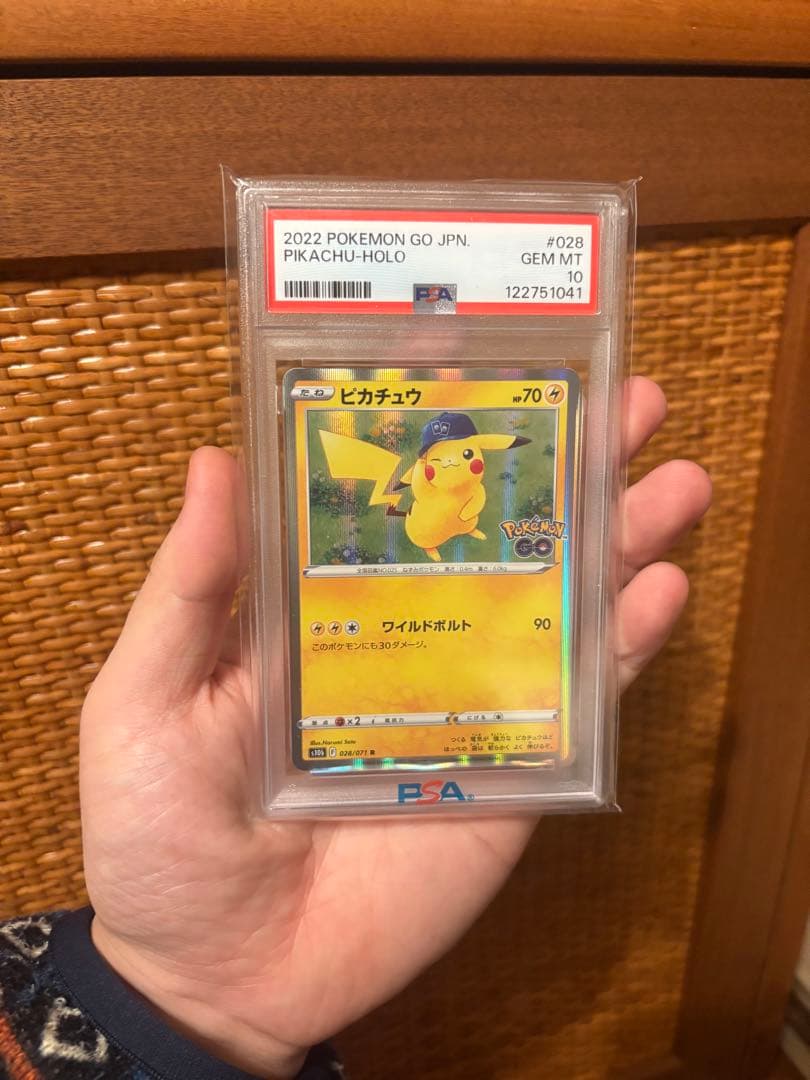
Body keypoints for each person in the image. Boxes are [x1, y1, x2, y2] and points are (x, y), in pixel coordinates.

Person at [0, 377, 711, 1080]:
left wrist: (181, 998)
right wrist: (185, 991)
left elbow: (486, 463)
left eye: (471, 455)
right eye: (454, 455)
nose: (468, 461)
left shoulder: (473, 472)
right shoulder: (410, 484)